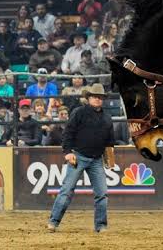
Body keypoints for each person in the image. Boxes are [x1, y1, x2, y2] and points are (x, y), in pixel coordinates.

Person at [47, 84, 114, 233]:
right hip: (78, 157)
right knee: (67, 190)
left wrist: (109, 159)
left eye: (100, 97)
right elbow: (68, 133)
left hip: (96, 159)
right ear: (88, 98)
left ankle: (101, 225)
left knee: (102, 193)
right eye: (95, 96)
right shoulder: (79, 113)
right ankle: (53, 221)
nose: (98, 99)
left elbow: (109, 142)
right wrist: (68, 152)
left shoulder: (107, 118)